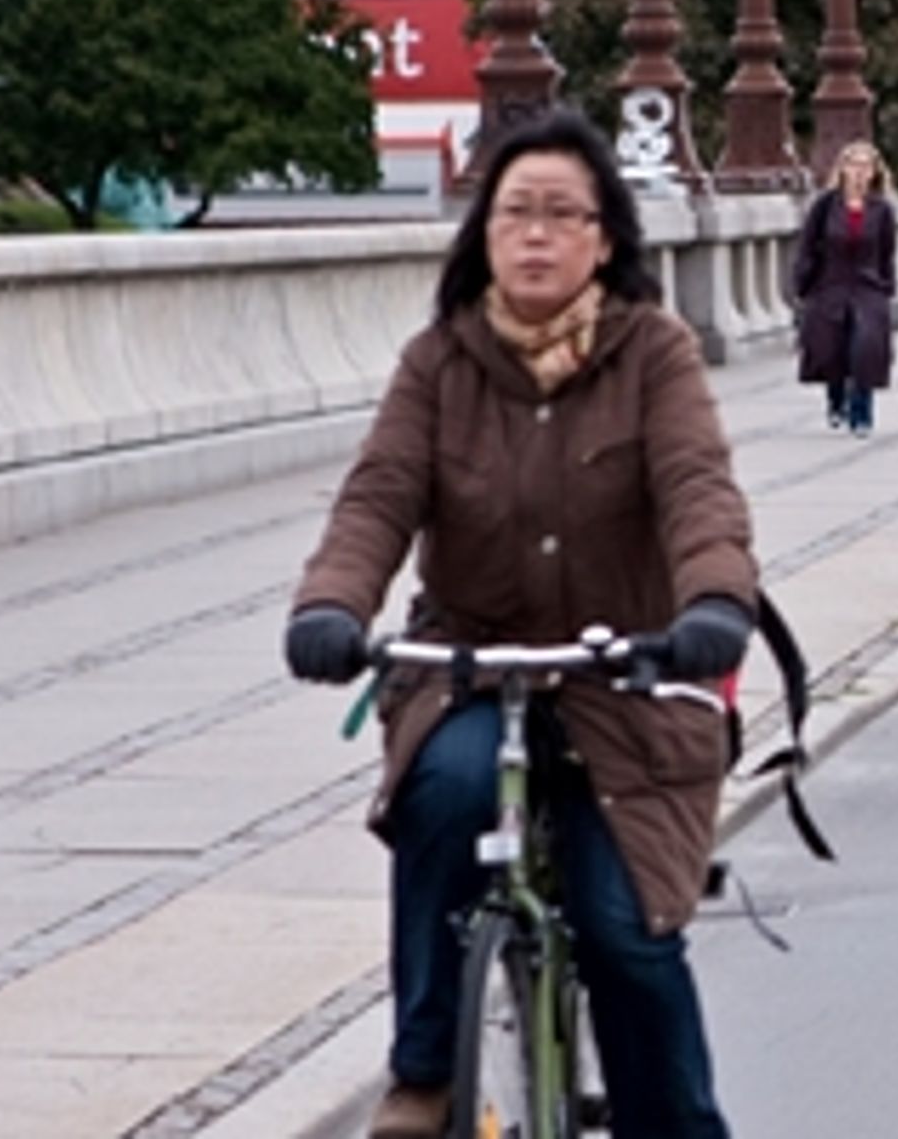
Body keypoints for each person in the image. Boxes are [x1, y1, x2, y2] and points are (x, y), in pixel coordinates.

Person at [282, 111, 754, 1139]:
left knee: (623, 930)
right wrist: (330, 603)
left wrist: (715, 603)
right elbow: (378, 497)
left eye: (561, 214)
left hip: (624, 677)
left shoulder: (653, 354)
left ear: (603, 236)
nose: (536, 234)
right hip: (470, 664)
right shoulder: (439, 362)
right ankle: (424, 1069)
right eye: (515, 214)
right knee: (443, 794)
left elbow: (696, 489)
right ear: (482, 232)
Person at [791, 139, 898, 436]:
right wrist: (803, 284)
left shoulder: (881, 210)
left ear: (875, 171)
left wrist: (888, 289)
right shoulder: (825, 206)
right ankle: (836, 399)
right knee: (832, 349)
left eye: (866, 166)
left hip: (868, 287)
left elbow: (886, 252)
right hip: (831, 284)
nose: (859, 172)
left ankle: (862, 412)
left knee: (865, 348)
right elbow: (808, 246)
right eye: (854, 164)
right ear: (843, 169)